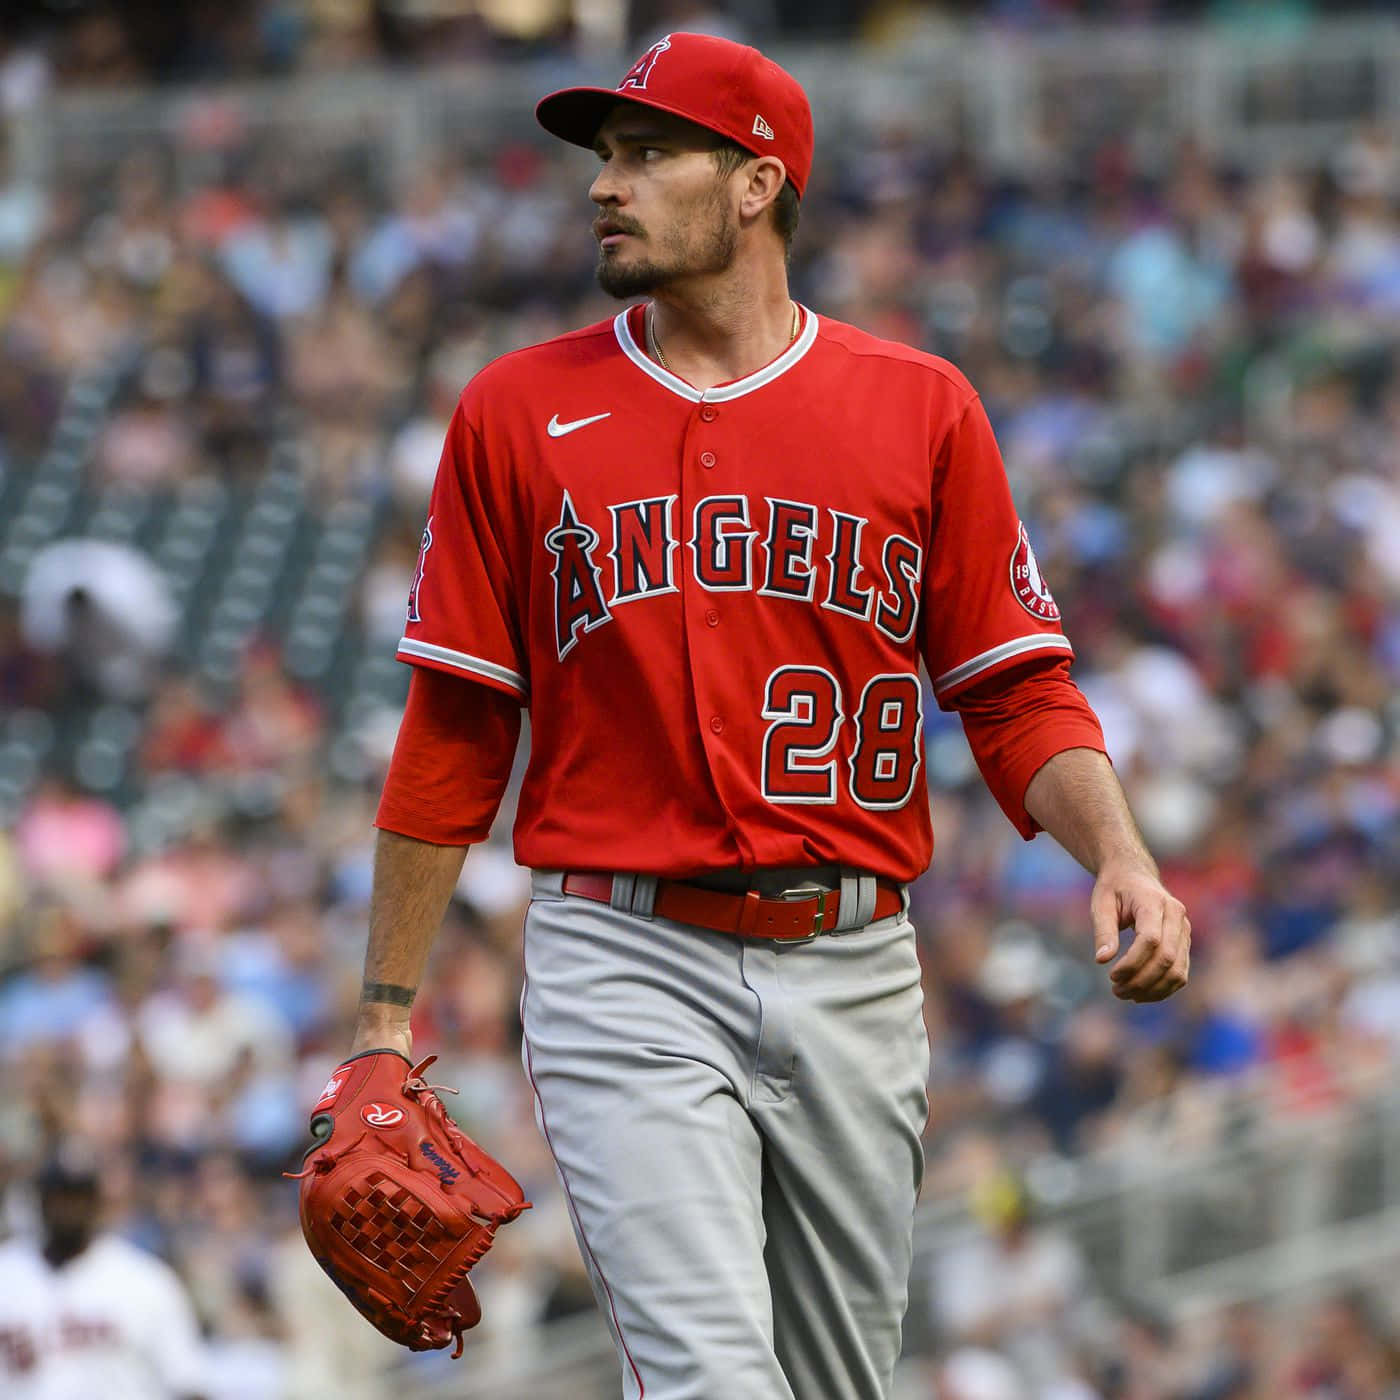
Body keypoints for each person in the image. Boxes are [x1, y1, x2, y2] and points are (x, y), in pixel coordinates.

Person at [347, 31, 1190, 1400]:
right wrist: (385, 1018)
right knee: (712, 1384)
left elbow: (1016, 688)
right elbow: (454, 730)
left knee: (830, 1385)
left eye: (647, 152)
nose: (605, 186)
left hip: (855, 966)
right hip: (625, 957)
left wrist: (1124, 859)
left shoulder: (919, 408)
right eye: (603, 158)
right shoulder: (515, 409)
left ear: (757, 182)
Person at [0, 1156, 208, 1398]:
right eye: (58, 1197)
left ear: (97, 1203)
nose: (68, 1208)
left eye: (79, 1198)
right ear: (40, 1202)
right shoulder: (7, 1272)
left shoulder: (144, 1280)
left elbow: (188, 1383)